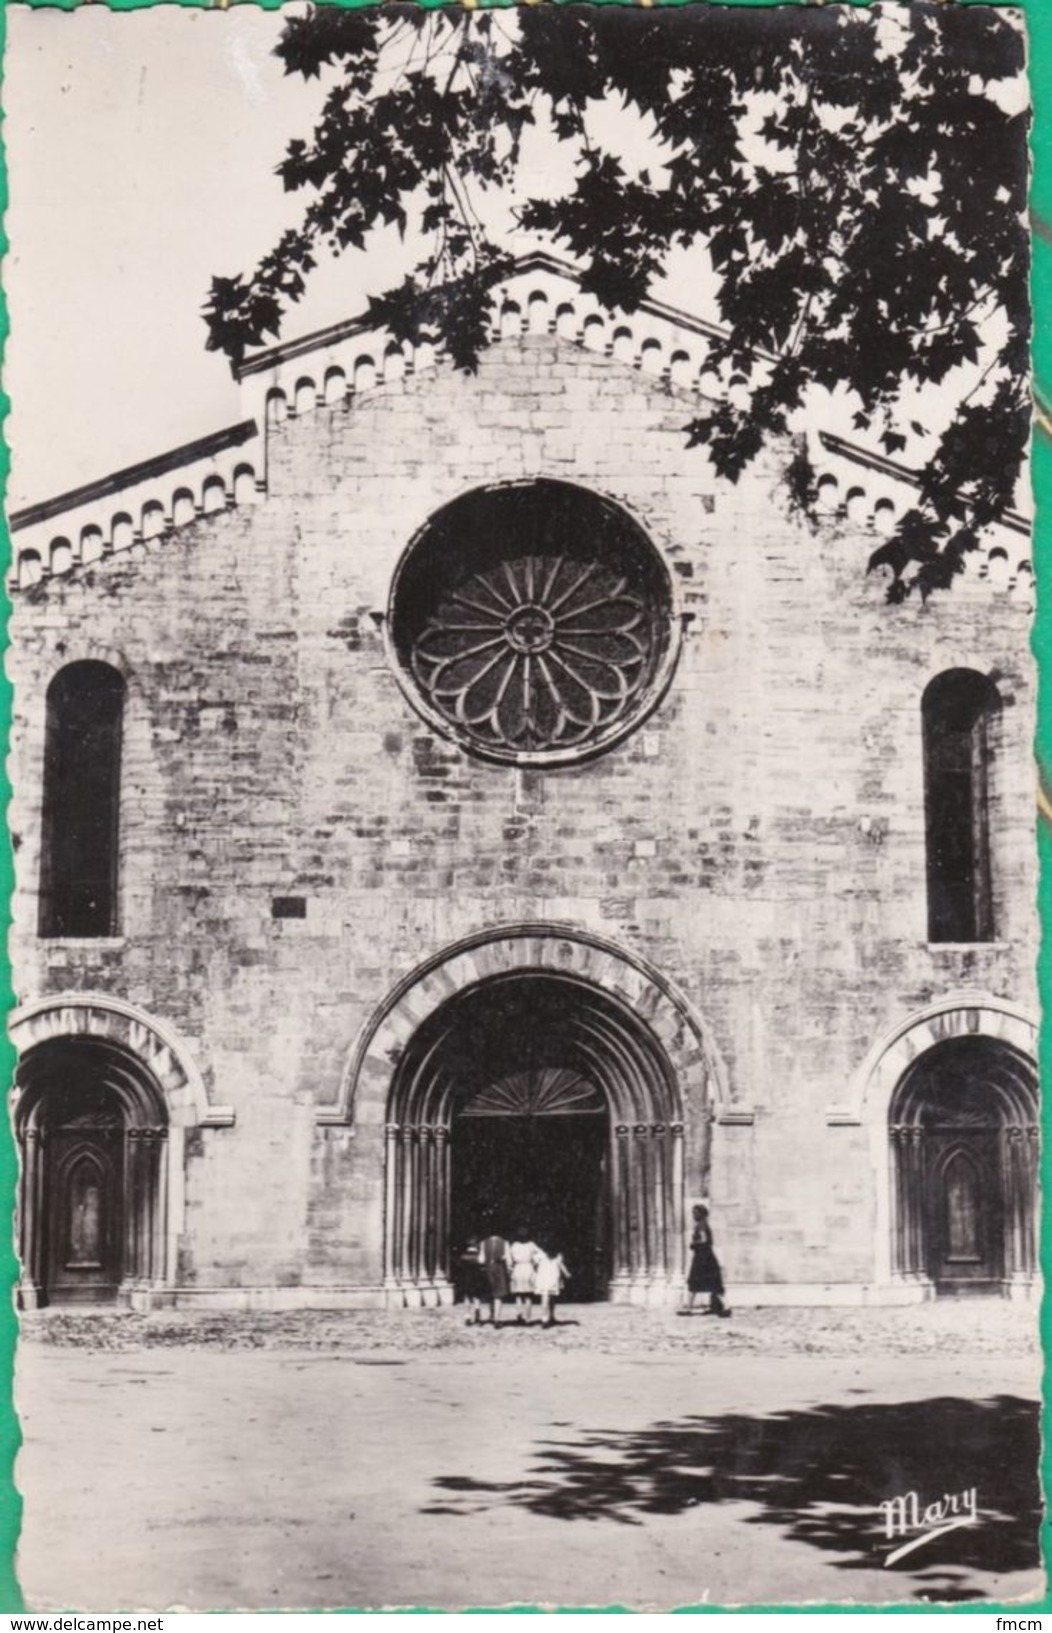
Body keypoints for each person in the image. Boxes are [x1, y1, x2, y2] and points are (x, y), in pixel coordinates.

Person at [683, 1204, 731, 1317]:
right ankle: (726, 1307)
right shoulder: (702, 1225)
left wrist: (693, 1244)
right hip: (706, 1257)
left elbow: (704, 1240)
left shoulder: (702, 1225)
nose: (693, 1215)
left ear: (701, 1214)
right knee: (714, 1283)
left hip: (703, 1258)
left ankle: (689, 1308)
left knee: (695, 1281)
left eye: (696, 1213)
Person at [508, 1227, 541, 1322]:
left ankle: (519, 1314)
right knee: (528, 1295)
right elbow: (538, 1256)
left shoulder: (514, 1245)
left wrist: (510, 1268)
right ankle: (528, 1317)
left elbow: (509, 1260)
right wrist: (535, 1264)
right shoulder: (531, 1245)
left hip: (517, 1268)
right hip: (528, 1268)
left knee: (518, 1294)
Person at [479, 1229, 511, 1325]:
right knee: (499, 1294)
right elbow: (508, 1258)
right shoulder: (505, 1242)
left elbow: (481, 1259)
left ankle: (491, 1315)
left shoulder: (483, 1242)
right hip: (499, 1269)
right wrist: (509, 1269)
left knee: (490, 1292)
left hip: (488, 1268)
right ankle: (497, 1318)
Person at [534, 1247, 570, 1327]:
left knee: (551, 1299)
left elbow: (561, 1265)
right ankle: (544, 1318)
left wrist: (566, 1273)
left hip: (553, 1280)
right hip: (543, 1280)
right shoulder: (540, 1255)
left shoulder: (558, 1256)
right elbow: (535, 1264)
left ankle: (551, 1316)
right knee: (545, 1299)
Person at [455, 1238, 488, 1326]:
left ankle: (467, 1316)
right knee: (477, 1297)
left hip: (466, 1279)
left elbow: (459, 1268)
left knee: (467, 1297)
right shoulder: (479, 1256)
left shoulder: (463, 1256)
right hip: (477, 1279)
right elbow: (483, 1266)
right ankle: (477, 1315)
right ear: (476, 1245)